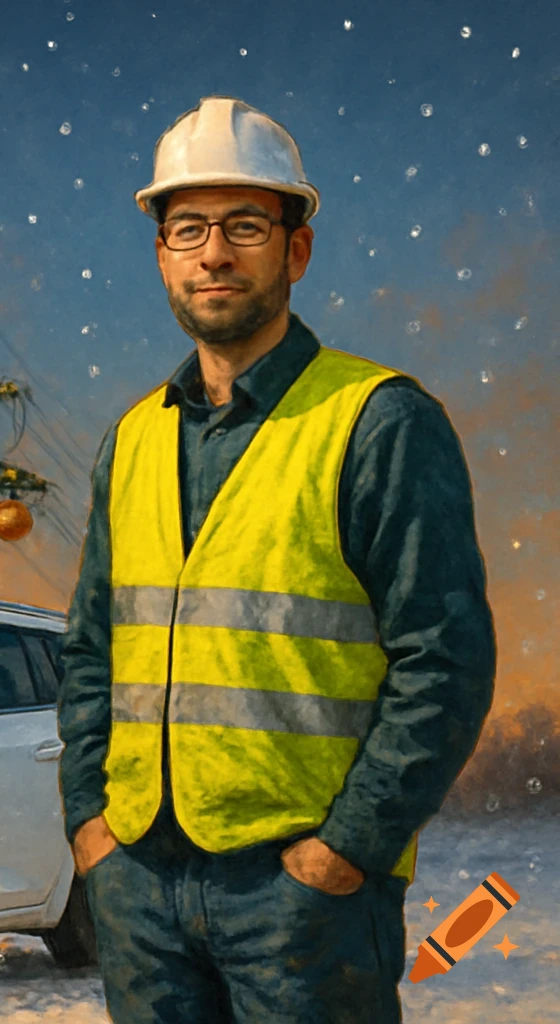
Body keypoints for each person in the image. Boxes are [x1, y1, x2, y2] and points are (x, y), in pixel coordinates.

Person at [56, 95, 496, 1023]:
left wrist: (348, 848)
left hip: (303, 900)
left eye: (245, 226)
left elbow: (446, 661)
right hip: (138, 888)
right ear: (163, 255)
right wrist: (90, 825)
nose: (214, 253)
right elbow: (93, 649)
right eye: (189, 228)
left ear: (296, 251)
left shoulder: (379, 422)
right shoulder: (132, 439)